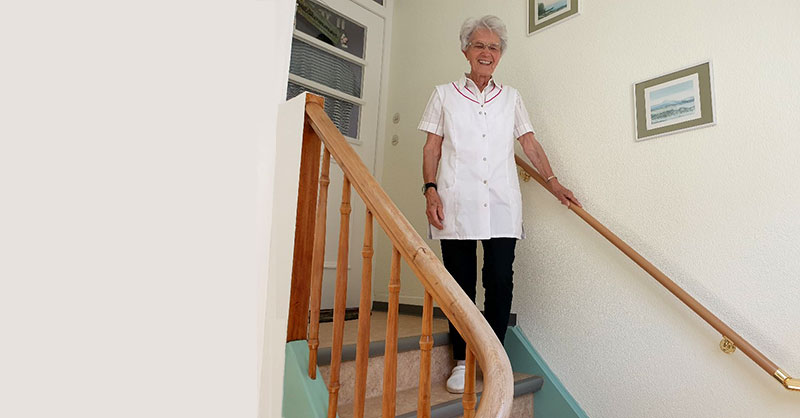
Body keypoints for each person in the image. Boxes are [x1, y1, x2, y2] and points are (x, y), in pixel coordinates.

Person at [418, 15, 581, 394]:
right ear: (465, 50)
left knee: (499, 282)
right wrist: (430, 189)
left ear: (500, 55)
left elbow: (529, 143)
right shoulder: (444, 94)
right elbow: (431, 147)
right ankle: (462, 361)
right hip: (454, 202)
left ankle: (493, 358)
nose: (486, 52)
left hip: (502, 202)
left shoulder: (511, 97)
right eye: (479, 45)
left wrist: (554, 182)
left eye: (494, 47)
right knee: (460, 286)